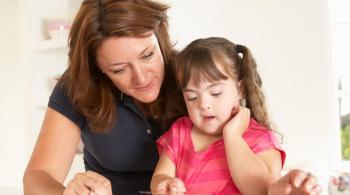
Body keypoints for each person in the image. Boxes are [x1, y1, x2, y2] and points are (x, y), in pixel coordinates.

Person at [22, 0, 322, 195]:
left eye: (148, 55)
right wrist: (67, 193)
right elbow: (37, 176)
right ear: (97, 68)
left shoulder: (193, 79)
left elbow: (260, 178)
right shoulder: (77, 89)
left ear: (159, 34)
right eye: (119, 69)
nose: (141, 77)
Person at [150, 37, 285, 194]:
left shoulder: (260, 139)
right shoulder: (180, 133)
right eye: (192, 97)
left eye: (215, 93)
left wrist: (232, 136)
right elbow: (160, 175)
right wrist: (165, 184)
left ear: (240, 89)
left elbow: (261, 191)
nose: (203, 104)